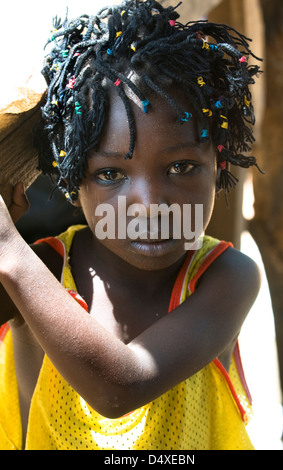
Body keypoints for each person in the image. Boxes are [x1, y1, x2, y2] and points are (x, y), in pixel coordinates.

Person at [0, 0, 263, 450]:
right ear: (72, 180)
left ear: (217, 165)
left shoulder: (224, 277)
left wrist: (7, 249)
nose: (150, 204)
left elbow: (121, 387)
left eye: (180, 167)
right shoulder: (44, 268)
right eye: (110, 175)